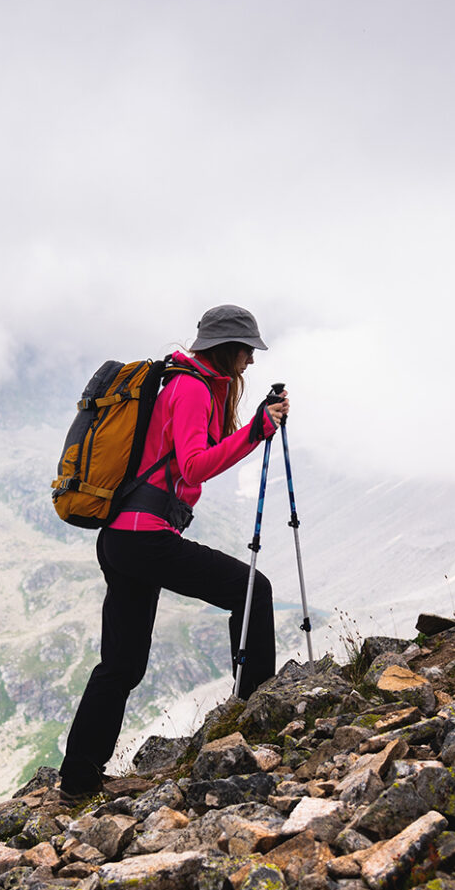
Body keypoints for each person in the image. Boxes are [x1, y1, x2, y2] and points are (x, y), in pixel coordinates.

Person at [57, 304, 289, 797]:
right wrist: (256, 432)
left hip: (123, 539)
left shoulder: (193, 383)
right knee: (252, 590)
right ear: (228, 349)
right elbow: (194, 467)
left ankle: (77, 778)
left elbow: (202, 450)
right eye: (247, 351)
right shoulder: (189, 389)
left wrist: (254, 423)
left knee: (121, 665)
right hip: (144, 538)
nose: (250, 361)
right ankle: (257, 721)